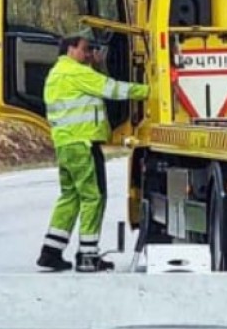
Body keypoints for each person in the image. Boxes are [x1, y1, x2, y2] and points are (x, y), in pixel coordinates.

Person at [37, 34, 150, 273]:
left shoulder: (56, 74)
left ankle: (50, 252)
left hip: (66, 145)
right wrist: (152, 90)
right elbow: (113, 89)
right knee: (93, 197)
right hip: (84, 144)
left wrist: (95, 66)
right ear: (70, 50)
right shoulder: (77, 73)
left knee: (70, 197)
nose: (89, 55)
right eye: (85, 50)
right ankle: (88, 256)